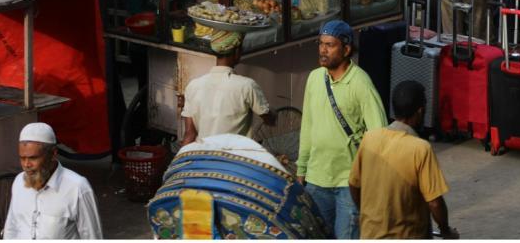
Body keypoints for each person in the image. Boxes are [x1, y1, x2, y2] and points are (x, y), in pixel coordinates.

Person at [296, 20, 388, 239]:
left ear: (346, 49)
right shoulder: (314, 78)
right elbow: (307, 126)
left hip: (350, 182)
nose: (323, 50)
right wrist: (301, 169)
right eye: (320, 44)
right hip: (317, 179)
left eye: (330, 45)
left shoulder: (360, 83)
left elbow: (379, 135)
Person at [349, 80, 459, 240]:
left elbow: (353, 184)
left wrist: (365, 214)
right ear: (420, 111)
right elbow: (434, 202)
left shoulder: (370, 138)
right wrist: (445, 230)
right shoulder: (420, 148)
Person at [4, 123, 103, 240]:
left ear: (53, 154)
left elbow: (92, 237)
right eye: (22, 158)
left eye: (33, 158)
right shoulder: (19, 182)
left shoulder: (78, 188)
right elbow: (11, 229)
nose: (26, 165)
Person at [180, 30, 275, 146]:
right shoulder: (247, 86)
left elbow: (189, 135)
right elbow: (269, 119)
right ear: (237, 52)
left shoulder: (193, 86)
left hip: (203, 156)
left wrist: (178, 162)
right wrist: (273, 114)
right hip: (234, 159)